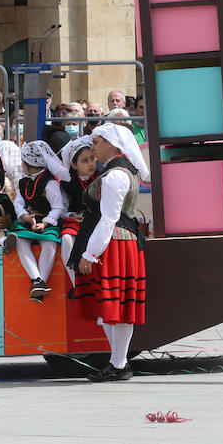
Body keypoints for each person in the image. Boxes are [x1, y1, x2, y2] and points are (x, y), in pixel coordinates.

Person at [69, 123, 151, 381]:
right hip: (120, 241)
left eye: (96, 142)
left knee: (116, 305)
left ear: (111, 144)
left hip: (115, 241)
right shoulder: (120, 170)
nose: (93, 148)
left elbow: (109, 219)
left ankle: (118, 363)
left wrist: (90, 254)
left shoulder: (116, 174)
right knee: (116, 306)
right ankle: (118, 363)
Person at [11, 141, 69, 302]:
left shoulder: (50, 183)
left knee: (49, 243)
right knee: (20, 241)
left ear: (28, 164)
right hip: (28, 222)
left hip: (47, 222)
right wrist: (25, 217)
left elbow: (58, 207)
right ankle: (37, 280)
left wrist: (45, 223)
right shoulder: (24, 182)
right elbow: (19, 204)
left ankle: (39, 282)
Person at [59, 136, 97, 289]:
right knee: (67, 238)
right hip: (76, 221)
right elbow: (61, 208)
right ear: (74, 165)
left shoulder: (102, 177)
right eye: (84, 160)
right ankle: (76, 284)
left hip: (97, 221)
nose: (90, 163)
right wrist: (71, 216)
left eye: (92, 158)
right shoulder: (67, 183)